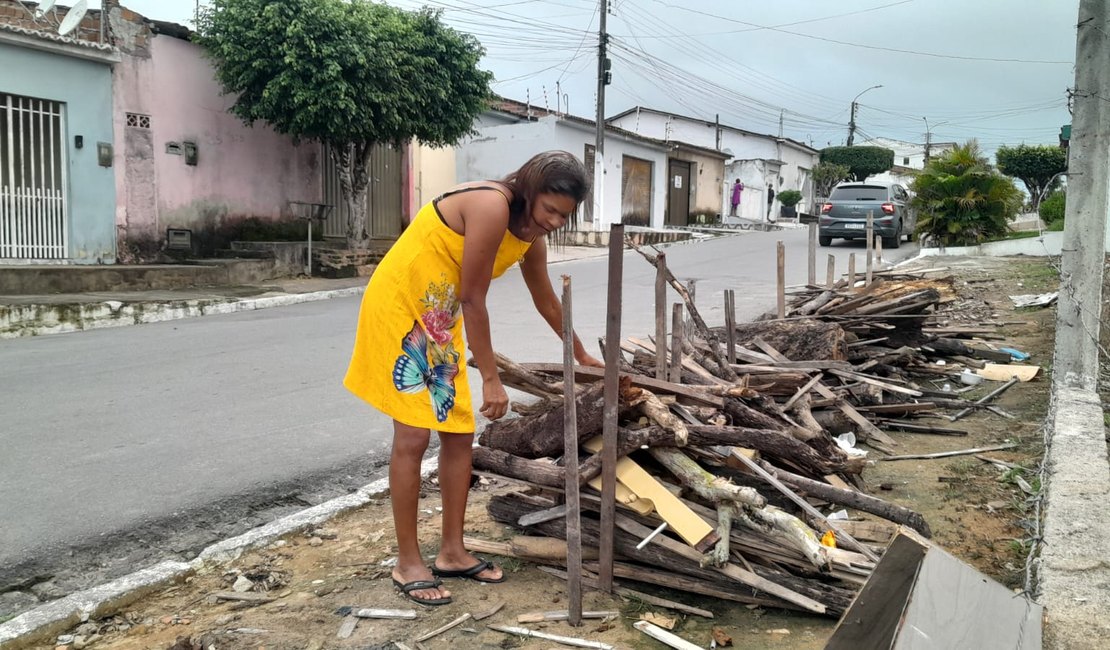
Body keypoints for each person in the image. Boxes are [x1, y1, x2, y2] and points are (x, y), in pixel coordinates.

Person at [343, 151, 602, 606]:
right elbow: (473, 298)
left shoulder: (529, 234)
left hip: (436, 317)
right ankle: (407, 562)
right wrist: (490, 378)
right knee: (412, 436)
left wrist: (579, 352)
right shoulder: (490, 206)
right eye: (550, 209)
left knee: (459, 436)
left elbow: (546, 300)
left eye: (565, 215)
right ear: (529, 189)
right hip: (401, 305)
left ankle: (452, 552)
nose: (555, 222)